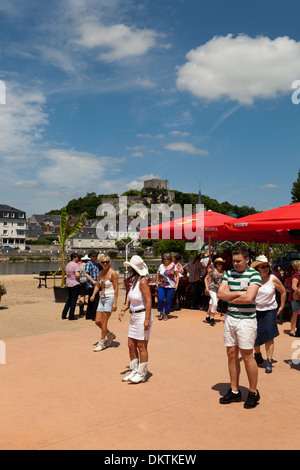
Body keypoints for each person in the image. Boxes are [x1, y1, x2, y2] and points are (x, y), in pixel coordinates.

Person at [218, 246, 262, 409]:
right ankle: (235, 390)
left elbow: (250, 297)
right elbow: (220, 294)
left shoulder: (254, 274)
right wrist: (240, 295)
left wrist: (231, 296)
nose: (235, 264)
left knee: (247, 355)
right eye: (234, 261)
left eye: (238, 261)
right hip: (231, 318)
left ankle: (253, 391)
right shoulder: (229, 273)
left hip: (246, 321)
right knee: (231, 354)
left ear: (247, 260)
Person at [119, 255, 152, 384]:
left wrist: (147, 319)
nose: (129, 270)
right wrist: (123, 310)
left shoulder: (143, 281)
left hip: (142, 315)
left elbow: (149, 301)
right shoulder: (134, 281)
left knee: (141, 346)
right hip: (134, 316)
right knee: (131, 345)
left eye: (130, 268)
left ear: (134, 269)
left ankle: (142, 372)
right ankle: (134, 369)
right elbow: (129, 300)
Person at [251, 255, 286, 374]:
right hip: (255, 310)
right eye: (263, 266)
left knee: (269, 336)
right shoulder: (253, 279)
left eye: (267, 266)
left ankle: (269, 361)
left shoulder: (273, 279)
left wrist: (281, 306)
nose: (266, 268)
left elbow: (283, 292)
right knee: (255, 335)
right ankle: (258, 355)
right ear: (257, 268)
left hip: (270, 311)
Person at [90, 256, 118, 352]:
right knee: (97, 321)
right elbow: (98, 285)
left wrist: (115, 302)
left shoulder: (113, 273)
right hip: (102, 298)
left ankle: (101, 343)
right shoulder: (101, 273)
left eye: (106, 262)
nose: (105, 264)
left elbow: (116, 288)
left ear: (109, 262)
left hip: (110, 298)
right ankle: (109, 335)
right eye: (103, 262)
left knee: (104, 321)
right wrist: (93, 295)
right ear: (100, 263)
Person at [155, 253, 180, 320]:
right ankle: (161, 312)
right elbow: (158, 274)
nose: (166, 260)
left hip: (171, 285)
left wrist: (177, 284)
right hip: (161, 285)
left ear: (170, 259)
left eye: (167, 259)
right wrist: (156, 282)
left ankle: (166, 313)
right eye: (165, 259)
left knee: (168, 300)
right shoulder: (161, 266)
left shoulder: (173, 266)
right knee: (160, 299)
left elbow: (177, 275)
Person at [204, 258, 225, 326]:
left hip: (219, 290)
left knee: (212, 303)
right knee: (215, 303)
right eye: (219, 264)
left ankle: (208, 316)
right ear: (216, 264)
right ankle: (212, 318)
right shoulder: (212, 271)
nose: (220, 265)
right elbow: (206, 278)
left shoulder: (224, 272)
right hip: (212, 289)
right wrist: (207, 287)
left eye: (221, 264)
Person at [62, 253, 81, 321]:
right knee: (73, 300)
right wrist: (80, 272)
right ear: (74, 258)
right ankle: (71, 316)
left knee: (69, 300)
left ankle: (64, 314)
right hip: (75, 283)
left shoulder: (68, 264)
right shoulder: (75, 265)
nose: (78, 259)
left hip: (68, 283)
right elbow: (77, 275)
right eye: (77, 258)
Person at [84, 250, 100, 321]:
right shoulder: (89, 263)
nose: (95, 257)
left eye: (96, 256)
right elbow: (86, 274)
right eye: (93, 256)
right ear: (90, 256)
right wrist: (92, 281)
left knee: (91, 301)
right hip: (91, 285)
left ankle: (89, 315)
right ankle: (93, 316)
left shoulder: (96, 264)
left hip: (96, 285)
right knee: (95, 301)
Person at [289, 260, 300, 337]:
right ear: (297, 267)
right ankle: (292, 330)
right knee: (295, 314)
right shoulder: (296, 275)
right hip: (295, 297)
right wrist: (298, 292)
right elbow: (293, 286)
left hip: (298, 297)